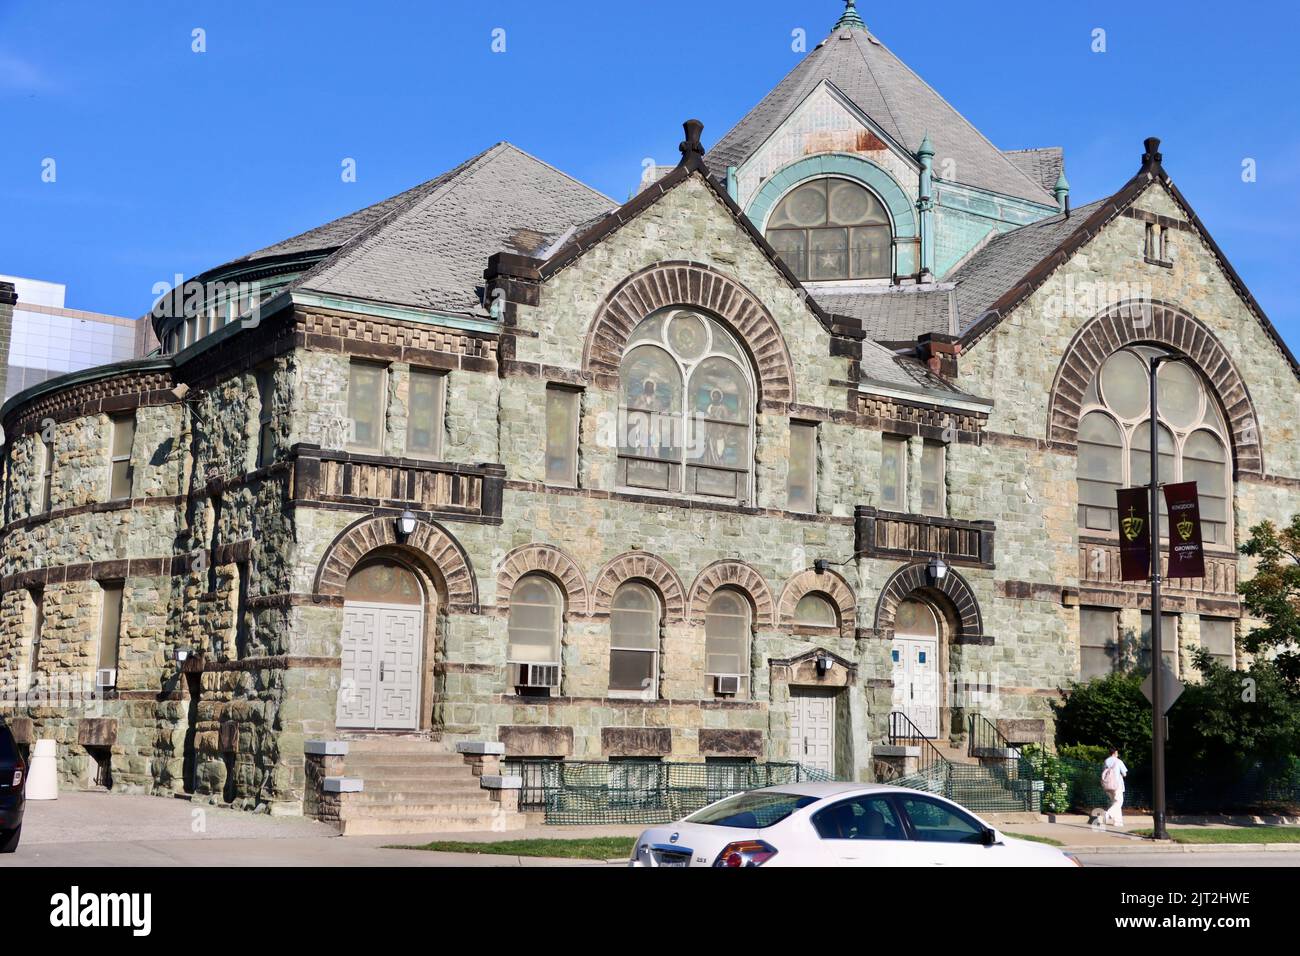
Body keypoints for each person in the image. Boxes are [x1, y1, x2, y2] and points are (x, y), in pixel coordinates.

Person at [1101, 746, 1128, 828]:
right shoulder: (1118, 761)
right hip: (1117, 785)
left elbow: (1104, 771)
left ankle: (1118, 822)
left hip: (1107, 785)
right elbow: (1125, 773)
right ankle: (1108, 814)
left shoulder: (1106, 761)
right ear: (1115, 752)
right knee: (1119, 802)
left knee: (1115, 803)